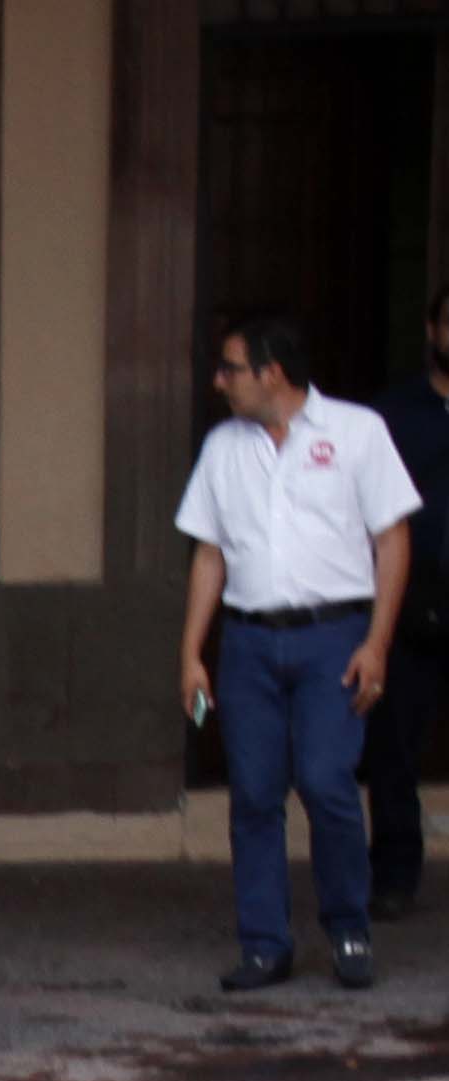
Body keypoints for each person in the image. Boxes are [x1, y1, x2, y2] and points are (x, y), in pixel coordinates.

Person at [177, 313, 422, 990]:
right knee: (254, 794)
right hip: (248, 640)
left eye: (230, 369)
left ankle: (348, 928)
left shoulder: (357, 432)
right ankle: (264, 944)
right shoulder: (223, 447)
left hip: (333, 637)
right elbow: (209, 553)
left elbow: (393, 540)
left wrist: (377, 643)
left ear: (272, 374)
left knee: (324, 780)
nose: (218, 381)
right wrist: (191, 652)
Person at [359, 285, 449, 919]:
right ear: (432, 330)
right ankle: (393, 875)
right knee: (392, 747)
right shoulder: (388, 418)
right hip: (410, 599)